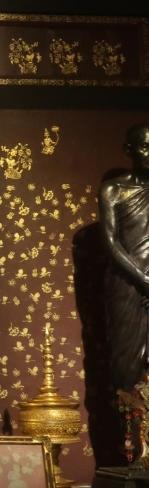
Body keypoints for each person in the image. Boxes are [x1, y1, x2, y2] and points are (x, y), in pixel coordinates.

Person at [99, 123, 149, 396]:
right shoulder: (113, 190)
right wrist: (143, 279)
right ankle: (128, 420)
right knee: (125, 359)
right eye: (145, 147)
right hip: (127, 283)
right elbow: (111, 243)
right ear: (129, 150)